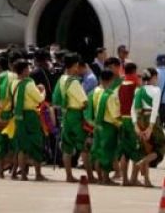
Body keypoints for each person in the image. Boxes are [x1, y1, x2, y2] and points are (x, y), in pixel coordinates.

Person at [53, 53, 90, 183]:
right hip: (76, 115)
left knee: (67, 146)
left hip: (65, 115)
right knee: (84, 145)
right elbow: (85, 102)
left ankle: (68, 175)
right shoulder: (74, 82)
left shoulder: (62, 79)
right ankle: (90, 175)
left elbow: (56, 99)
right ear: (74, 65)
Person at [11, 59, 47, 181]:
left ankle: (24, 175)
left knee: (22, 146)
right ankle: (38, 174)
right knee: (36, 143)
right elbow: (39, 99)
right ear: (25, 70)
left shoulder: (14, 83)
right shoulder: (29, 84)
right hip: (31, 115)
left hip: (18, 116)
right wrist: (43, 91)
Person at [132, 68, 165, 187]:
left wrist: (135, 125)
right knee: (160, 146)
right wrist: (151, 127)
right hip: (151, 119)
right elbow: (155, 109)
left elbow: (133, 109)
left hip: (140, 119)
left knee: (145, 149)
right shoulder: (156, 90)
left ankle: (147, 180)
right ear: (152, 78)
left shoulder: (138, 90)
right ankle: (143, 162)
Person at [91, 68, 122, 185]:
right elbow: (115, 115)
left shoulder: (99, 92)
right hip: (109, 127)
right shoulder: (111, 95)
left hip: (98, 125)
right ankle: (105, 178)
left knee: (98, 152)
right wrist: (121, 124)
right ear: (112, 79)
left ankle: (99, 178)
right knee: (108, 153)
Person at [117, 62, 144, 184]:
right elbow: (139, 103)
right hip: (133, 119)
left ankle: (124, 179)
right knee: (137, 149)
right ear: (134, 70)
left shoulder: (121, 84)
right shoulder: (136, 83)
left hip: (123, 119)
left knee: (124, 150)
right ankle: (134, 178)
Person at [0, 55, 16, 178]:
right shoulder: (16, 76)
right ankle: (14, 172)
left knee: (1, 143)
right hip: (14, 113)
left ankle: (1, 172)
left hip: (2, 113)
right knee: (14, 143)